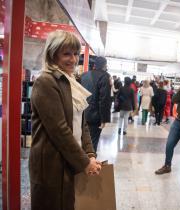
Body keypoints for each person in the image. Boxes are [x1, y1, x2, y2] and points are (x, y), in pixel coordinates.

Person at [30, 31, 101, 210]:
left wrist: (90, 153)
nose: (73, 59)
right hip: (52, 164)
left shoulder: (71, 81)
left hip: (70, 158)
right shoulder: (46, 81)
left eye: (76, 53)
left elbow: (82, 121)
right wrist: (85, 162)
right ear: (53, 54)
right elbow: (59, 130)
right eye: (66, 53)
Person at [81, 56, 111, 152]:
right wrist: (104, 119)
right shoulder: (104, 76)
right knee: (92, 143)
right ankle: (89, 164)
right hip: (95, 115)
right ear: (104, 65)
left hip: (81, 112)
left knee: (81, 140)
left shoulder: (84, 75)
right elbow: (104, 99)